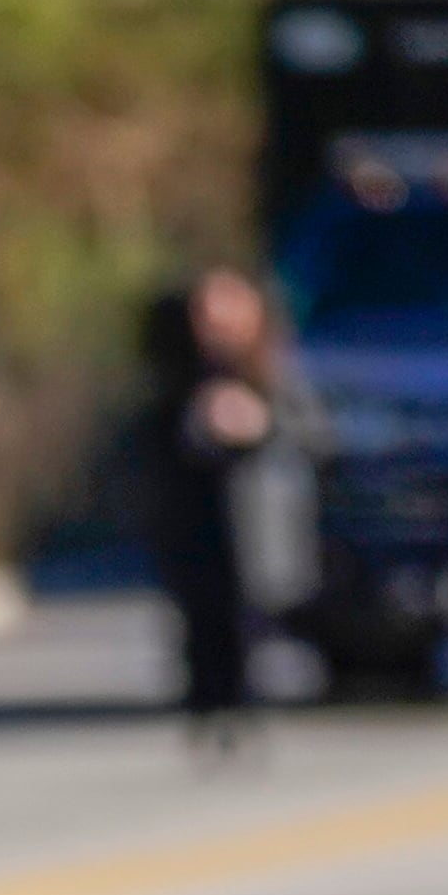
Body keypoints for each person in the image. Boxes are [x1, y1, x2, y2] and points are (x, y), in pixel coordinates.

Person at [143, 266, 289, 749]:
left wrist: (257, 424)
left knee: (253, 620)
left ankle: (249, 706)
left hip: (261, 529)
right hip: (197, 529)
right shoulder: (179, 376)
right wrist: (199, 422)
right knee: (202, 620)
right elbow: (151, 445)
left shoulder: (274, 372)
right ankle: (208, 707)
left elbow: (307, 438)